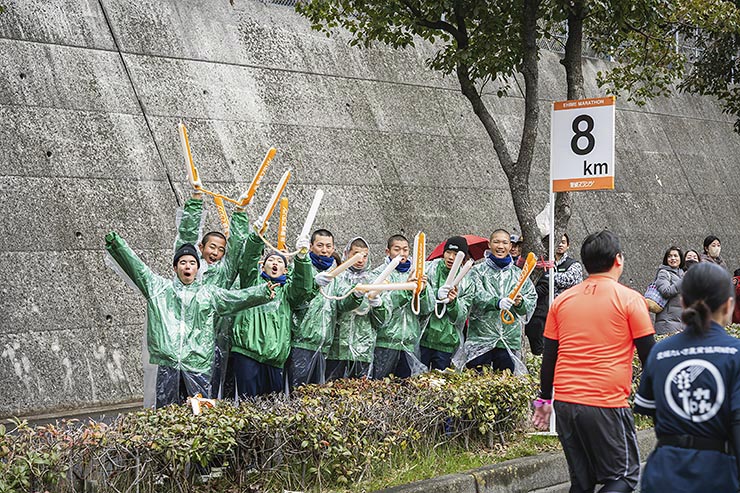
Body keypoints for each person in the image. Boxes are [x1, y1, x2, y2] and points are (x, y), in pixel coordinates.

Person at [532, 230, 656, 493]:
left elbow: (549, 358)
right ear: (619, 259)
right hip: (606, 402)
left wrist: (544, 401)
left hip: (565, 403)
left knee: (582, 482)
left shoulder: (562, 301)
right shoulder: (630, 299)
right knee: (623, 477)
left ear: (585, 263)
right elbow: (650, 359)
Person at [105, 234, 276, 407]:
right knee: (167, 414)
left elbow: (237, 298)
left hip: (197, 365)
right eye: (183, 262)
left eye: (192, 263)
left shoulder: (208, 294)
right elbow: (138, 269)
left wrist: (263, 292)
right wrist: (118, 246)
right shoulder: (160, 289)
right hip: (168, 364)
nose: (188, 266)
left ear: (197, 268)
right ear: (175, 267)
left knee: (199, 415)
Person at [635, 263, 739, 492]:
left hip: (663, 475)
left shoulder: (660, 353)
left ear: (682, 303)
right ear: (728, 305)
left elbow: (650, 410)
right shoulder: (736, 354)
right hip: (718, 474)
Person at [229, 231, 313, 398]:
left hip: (275, 358)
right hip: (247, 353)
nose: (275, 263)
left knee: (271, 409)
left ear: (286, 269)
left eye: (279, 261)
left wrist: (303, 257)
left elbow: (303, 288)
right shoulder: (251, 284)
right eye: (271, 260)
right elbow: (247, 265)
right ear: (263, 265)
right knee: (247, 406)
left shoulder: (287, 292)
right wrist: (256, 238)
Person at [286, 228, 363, 388]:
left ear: (334, 248)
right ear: (311, 246)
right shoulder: (300, 268)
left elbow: (342, 303)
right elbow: (295, 298)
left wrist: (356, 295)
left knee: (316, 397)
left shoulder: (337, 274)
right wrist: (312, 282)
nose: (324, 250)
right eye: (320, 245)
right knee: (296, 393)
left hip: (323, 344)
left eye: (328, 246)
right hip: (301, 342)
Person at [465, 229, 536, 373]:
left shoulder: (519, 275)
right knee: (476, 383)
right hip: (481, 338)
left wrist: (520, 303)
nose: (500, 246)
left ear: (510, 246)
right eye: (496, 242)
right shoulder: (477, 272)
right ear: (489, 244)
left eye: (504, 242)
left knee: (504, 386)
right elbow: (473, 296)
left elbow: (531, 301)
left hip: (508, 341)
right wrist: (496, 302)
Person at [325, 237, 389, 380]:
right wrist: (355, 296)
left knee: (358, 395)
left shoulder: (374, 280)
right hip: (337, 349)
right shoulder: (336, 277)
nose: (360, 260)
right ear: (347, 254)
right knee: (332, 392)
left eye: (365, 256)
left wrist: (378, 305)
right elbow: (336, 306)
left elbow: (382, 321)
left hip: (363, 350)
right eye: (356, 255)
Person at [371, 234, 432, 379]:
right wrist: (406, 290)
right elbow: (383, 306)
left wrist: (421, 291)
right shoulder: (379, 274)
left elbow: (428, 307)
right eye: (397, 249)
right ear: (388, 252)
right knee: (380, 388)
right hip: (384, 342)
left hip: (409, 342)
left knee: (405, 390)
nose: (401, 254)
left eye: (405, 250)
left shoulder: (417, 273)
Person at [419, 236, 473, 370]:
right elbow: (419, 303)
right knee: (417, 382)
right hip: (423, 337)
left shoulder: (467, 281)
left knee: (440, 383)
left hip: (447, 341)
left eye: (456, 254)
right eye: (448, 252)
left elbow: (461, 316)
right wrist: (435, 294)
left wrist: (452, 303)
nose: (451, 257)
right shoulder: (429, 269)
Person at [525, 234, 583, 355]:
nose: (560, 245)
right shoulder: (544, 263)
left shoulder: (572, 264)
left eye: (563, 242)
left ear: (568, 246)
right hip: (543, 312)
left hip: (565, 312)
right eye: (558, 242)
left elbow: (569, 279)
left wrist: (549, 274)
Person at [653, 246, 685, 335]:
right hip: (667, 322)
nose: (673, 258)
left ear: (681, 258)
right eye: (670, 256)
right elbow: (666, 291)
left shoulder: (682, 274)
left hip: (680, 322)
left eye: (675, 256)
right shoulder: (663, 273)